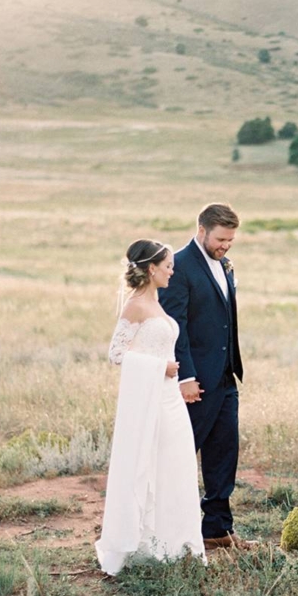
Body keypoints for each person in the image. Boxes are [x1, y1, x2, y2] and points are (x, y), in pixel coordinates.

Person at [95, 239, 205, 575]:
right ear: (152, 268)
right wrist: (161, 368)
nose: (173, 271)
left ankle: (176, 541)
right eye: (168, 266)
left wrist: (170, 372)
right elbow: (116, 354)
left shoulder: (157, 302)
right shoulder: (136, 306)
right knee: (153, 463)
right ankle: (148, 541)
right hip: (152, 398)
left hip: (170, 398)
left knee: (176, 463)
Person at [160, 203, 255, 551]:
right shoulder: (179, 266)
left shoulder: (225, 264)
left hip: (227, 377)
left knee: (224, 453)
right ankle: (169, 531)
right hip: (195, 381)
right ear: (201, 230)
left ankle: (217, 528)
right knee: (184, 454)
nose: (226, 246)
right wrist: (186, 376)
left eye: (231, 240)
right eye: (221, 239)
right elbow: (176, 326)